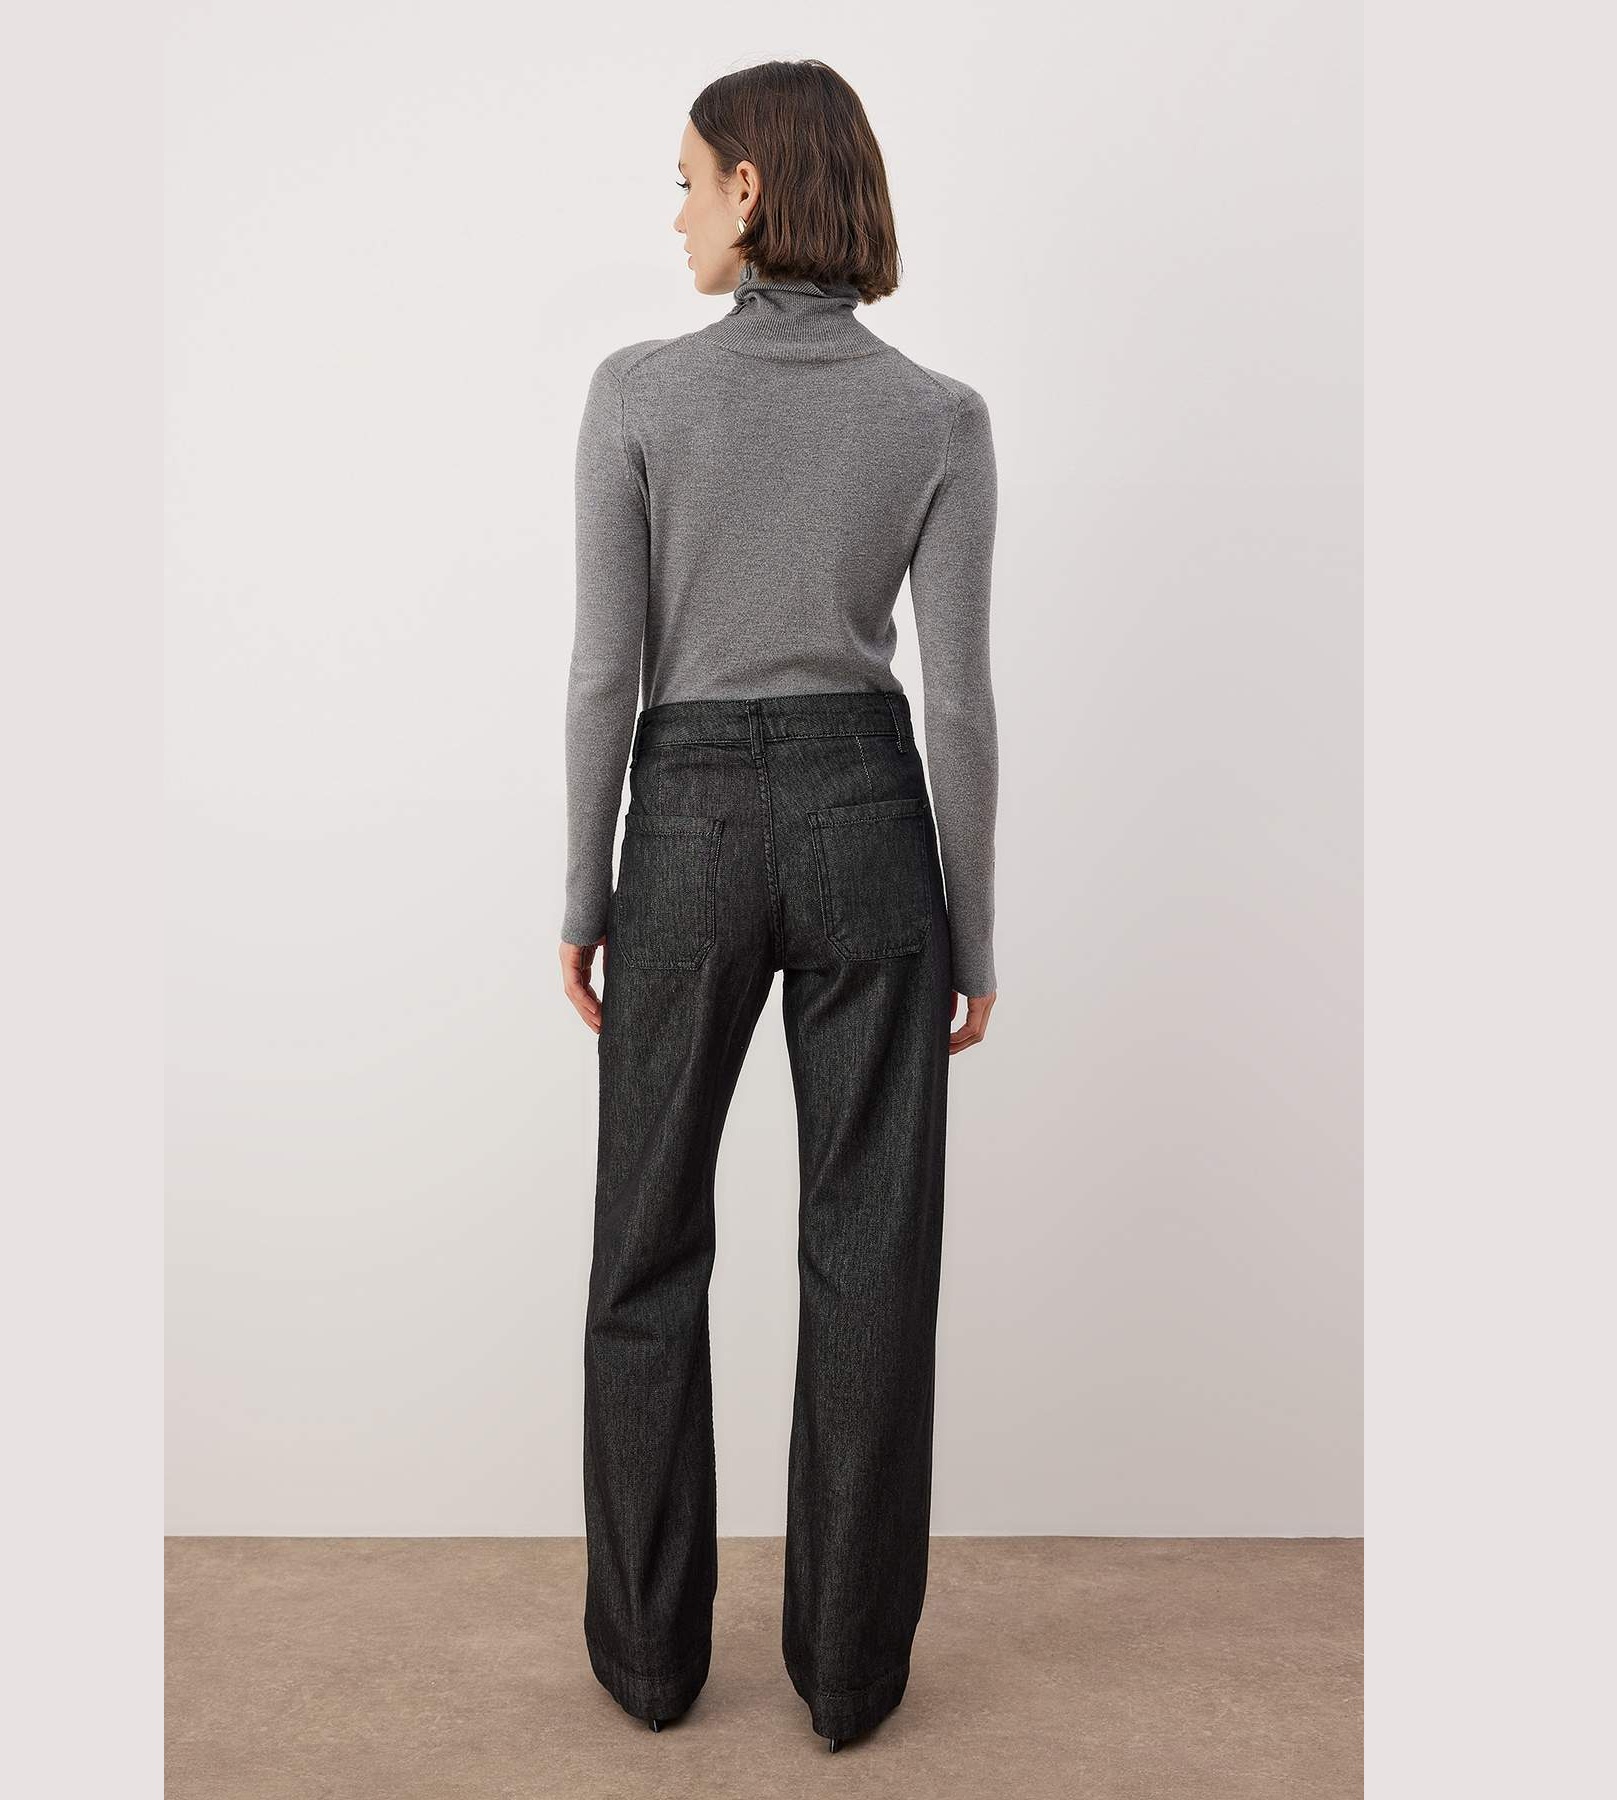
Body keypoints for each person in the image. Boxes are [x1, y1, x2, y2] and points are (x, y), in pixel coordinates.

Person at [558, 58, 1000, 1753]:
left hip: (679, 821)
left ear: (751, 190)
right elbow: (955, 703)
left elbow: (605, 673)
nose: (675, 213)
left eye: (686, 180)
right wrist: (976, 923)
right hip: (869, 820)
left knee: (645, 1244)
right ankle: (847, 1678)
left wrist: (584, 887)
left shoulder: (637, 396)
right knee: (870, 1253)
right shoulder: (938, 416)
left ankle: (650, 1660)